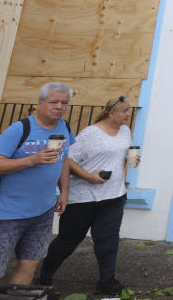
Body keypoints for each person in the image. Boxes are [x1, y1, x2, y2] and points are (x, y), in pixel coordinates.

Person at [0, 83, 74, 284]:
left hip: (42, 211)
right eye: (54, 102)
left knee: (29, 265)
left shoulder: (65, 127)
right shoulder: (19, 129)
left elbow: (65, 159)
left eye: (64, 103)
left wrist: (64, 191)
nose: (59, 106)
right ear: (40, 103)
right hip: (5, 214)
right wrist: (32, 160)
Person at [37, 95, 139, 294]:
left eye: (129, 110)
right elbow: (66, 159)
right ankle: (43, 278)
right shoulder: (90, 134)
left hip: (113, 196)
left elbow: (118, 155)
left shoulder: (125, 130)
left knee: (108, 241)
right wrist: (89, 177)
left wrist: (131, 159)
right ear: (111, 113)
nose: (129, 114)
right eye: (125, 111)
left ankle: (107, 282)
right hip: (82, 198)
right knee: (68, 241)